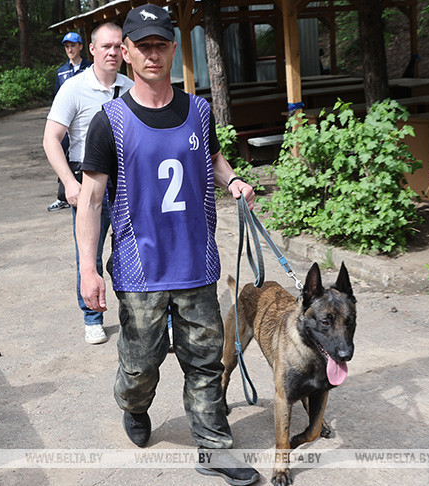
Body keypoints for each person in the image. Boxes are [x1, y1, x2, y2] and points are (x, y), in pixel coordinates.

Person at [77, 5, 259, 485]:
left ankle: (213, 446)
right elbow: (91, 201)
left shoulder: (199, 111)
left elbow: (214, 158)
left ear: (173, 49)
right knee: (140, 368)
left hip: (196, 265)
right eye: (142, 45)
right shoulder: (109, 121)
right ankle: (133, 407)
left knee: (204, 361)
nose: (152, 53)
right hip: (141, 273)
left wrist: (234, 180)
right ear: (126, 53)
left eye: (161, 44)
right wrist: (88, 271)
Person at [42, 22, 133, 345]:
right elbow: (51, 139)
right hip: (87, 180)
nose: (112, 52)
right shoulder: (73, 88)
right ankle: (92, 317)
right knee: (89, 253)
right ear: (91, 49)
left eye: (117, 46)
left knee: (134, 251)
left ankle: (141, 315)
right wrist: (69, 182)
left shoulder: (130, 87)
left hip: (125, 182)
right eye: (105, 46)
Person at [47, 31, 94, 212]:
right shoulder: (61, 71)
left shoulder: (91, 68)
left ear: (81, 46)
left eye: (73, 45)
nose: (70, 49)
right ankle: (64, 194)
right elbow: (57, 100)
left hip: (85, 123)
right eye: (67, 46)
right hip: (67, 126)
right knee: (62, 157)